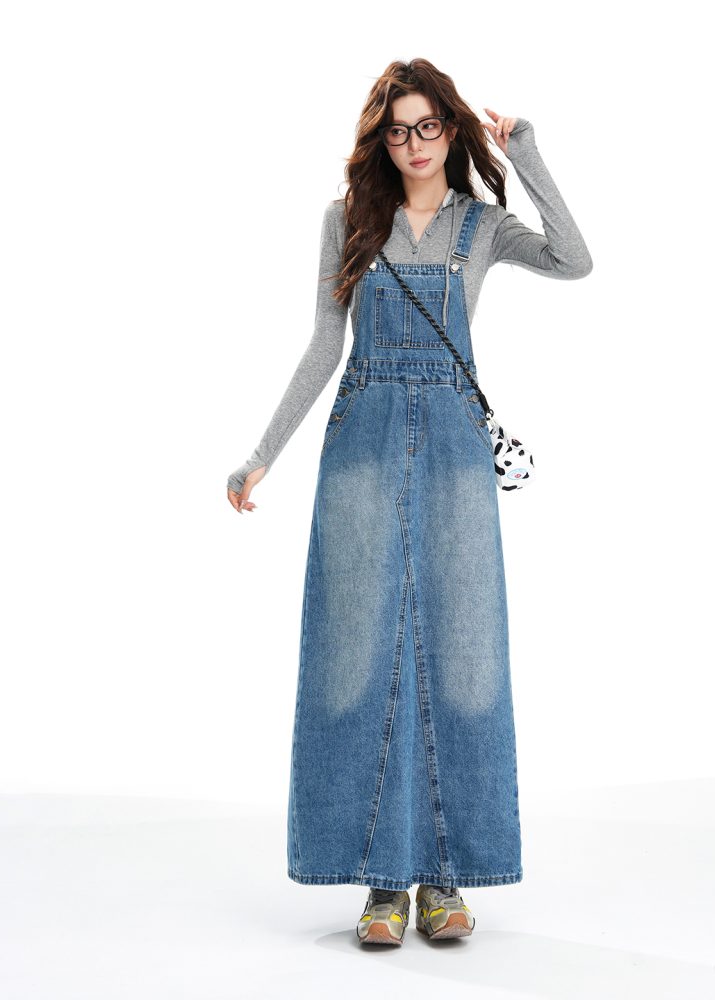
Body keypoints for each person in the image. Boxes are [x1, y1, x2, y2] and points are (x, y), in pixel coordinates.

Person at [226, 58, 592, 946]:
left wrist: (526, 152)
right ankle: (384, 884)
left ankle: (444, 877)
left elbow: (574, 260)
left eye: (429, 127)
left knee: (462, 653)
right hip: (362, 442)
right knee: (356, 651)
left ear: (451, 130)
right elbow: (326, 343)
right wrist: (263, 453)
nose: (415, 144)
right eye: (398, 131)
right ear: (380, 141)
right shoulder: (348, 219)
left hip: (457, 453)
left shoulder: (482, 225)